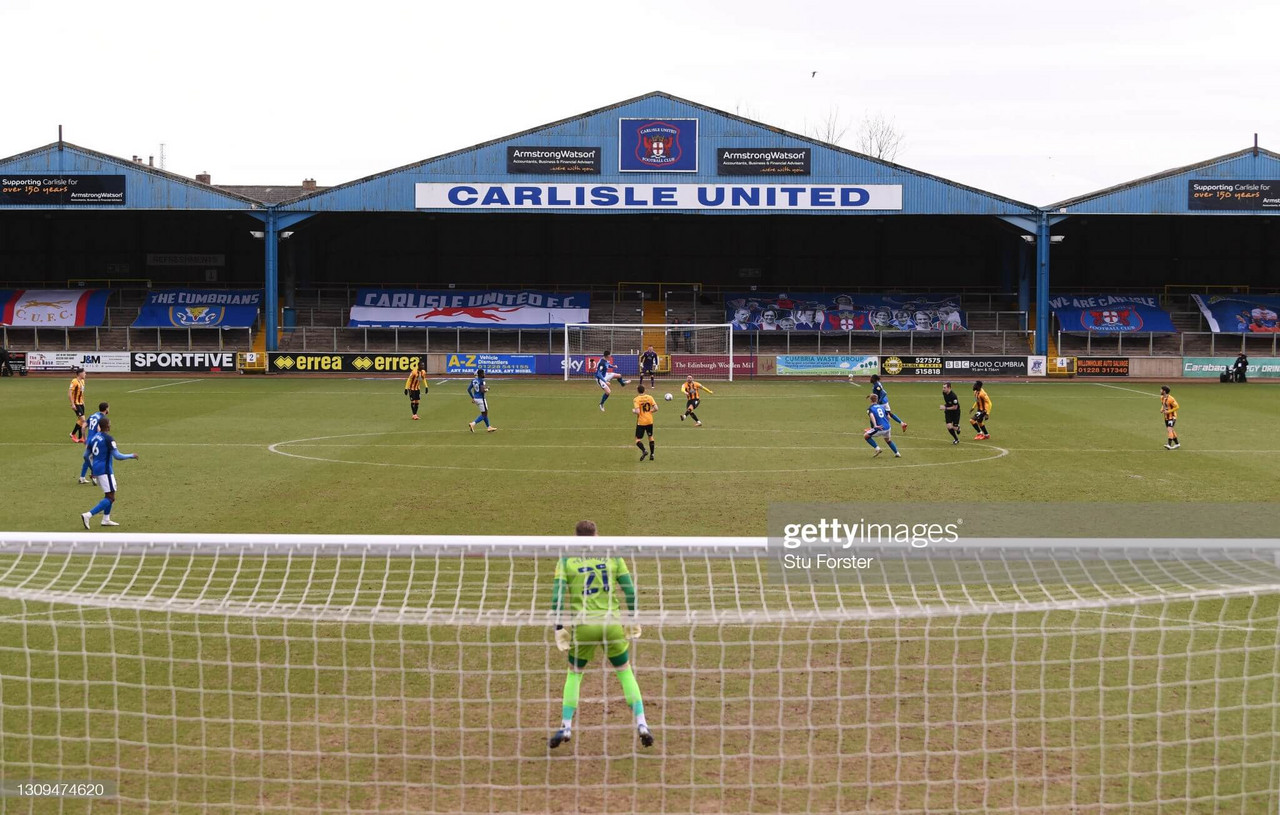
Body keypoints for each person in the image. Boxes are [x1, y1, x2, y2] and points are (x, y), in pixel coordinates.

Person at [548, 520, 652, 750]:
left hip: (584, 627)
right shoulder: (612, 555)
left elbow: (557, 598)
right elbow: (630, 591)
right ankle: (642, 724)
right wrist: (632, 618)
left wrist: (558, 627)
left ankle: (566, 725)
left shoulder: (566, 559)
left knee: (574, 674)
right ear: (596, 536)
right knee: (625, 672)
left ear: (576, 538)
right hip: (611, 624)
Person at [80, 417, 139, 528]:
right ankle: (88, 515)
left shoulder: (94, 438)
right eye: (109, 424)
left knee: (109, 494)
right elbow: (117, 456)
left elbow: (85, 456)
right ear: (107, 426)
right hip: (105, 471)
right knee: (110, 497)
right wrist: (131, 455)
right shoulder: (109, 439)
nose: (110, 425)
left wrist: (92, 468)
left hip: (97, 469)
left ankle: (106, 519)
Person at [78, 402, 110, 484]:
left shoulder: (93, 415)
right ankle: (95, 475)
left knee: (88, 458)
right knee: (95, 459)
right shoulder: (102, 418)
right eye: (108, 408)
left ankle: (82, 477)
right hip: (95, 441)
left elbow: (83, 427)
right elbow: (99, 430)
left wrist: (84, 439)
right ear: (106, 409)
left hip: (89, 441)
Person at [864, 394, 901, 458]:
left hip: (880, 428)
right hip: (887, 427)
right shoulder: (882, 407)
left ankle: (877, 449)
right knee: (888, 440)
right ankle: (897, 453)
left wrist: (875, 425)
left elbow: (872, 416)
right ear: (877, 400)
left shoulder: (870, 409)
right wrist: (887, 423)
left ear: (870, 400)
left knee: (866, 436)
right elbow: (889, 417)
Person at [632, 384, 658, 461]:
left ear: (637, 390)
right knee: (650, 437)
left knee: (637, 439)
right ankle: (652, 454)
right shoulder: (650, 397)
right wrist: (650, 411)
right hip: (650, 420)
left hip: (641, 421)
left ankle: (644, 450)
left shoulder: (636, 399)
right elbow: (656, 408)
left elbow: (637, 411)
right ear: (644, 390)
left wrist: (634, 411)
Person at [68, 367, 87, 442]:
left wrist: (83, 402)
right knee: (83, 419)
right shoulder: (74, 381)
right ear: (80, 373)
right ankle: (72, 433)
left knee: (81, 420)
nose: (85, 374)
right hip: (76, 403)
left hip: (81, 403)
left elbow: (82, 393)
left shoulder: (82, 381)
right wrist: (72, 404)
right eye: (84, 372)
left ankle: (80, 438)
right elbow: (69, 393)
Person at [1160, 385, 1180, 450]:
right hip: (1166, 417)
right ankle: (1177, 444)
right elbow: (1164, 405)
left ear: (1164, 391)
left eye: (1161, 390)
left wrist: (1169, 411)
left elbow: (1177, 407)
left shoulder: (1171, 399)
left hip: (1172, 417)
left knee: (1169, 429)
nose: (1160, 391)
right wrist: (1162, 409)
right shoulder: (1162, 398)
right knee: (1171, 430)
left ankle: (1169, 444)